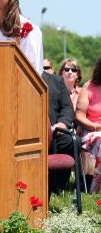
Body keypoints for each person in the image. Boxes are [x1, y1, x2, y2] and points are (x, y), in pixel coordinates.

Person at [42, 70, 76, 192]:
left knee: (72, 142)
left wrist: (62, 123)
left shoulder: (57, 81)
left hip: (55, 134)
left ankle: (57, 186)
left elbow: (67, 107)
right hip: (26, 137)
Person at [76, 57, 101, 193]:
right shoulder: (89, 86)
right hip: (91, 130)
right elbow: (79, 115)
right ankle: (96, 188)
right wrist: (96, 127)